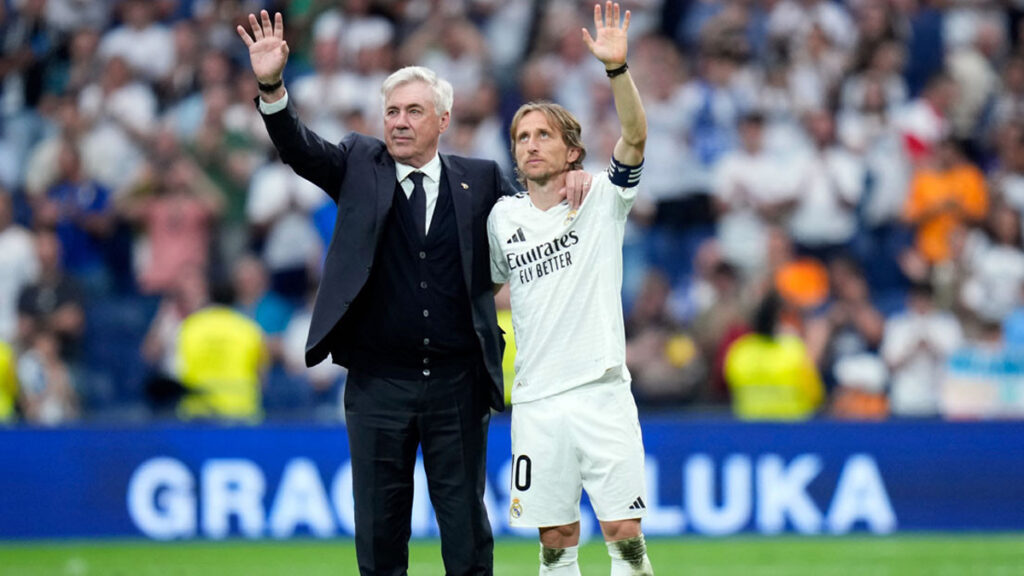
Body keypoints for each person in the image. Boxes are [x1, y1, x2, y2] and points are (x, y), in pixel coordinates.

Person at [237, 10, 590, 575]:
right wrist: (272, 86)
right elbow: (299, 148)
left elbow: (534, 221)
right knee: (380, 537)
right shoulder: (359, 163)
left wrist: (572, 177)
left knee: (467, 535)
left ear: (443, 119)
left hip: (457, 383)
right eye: (392, 111)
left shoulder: (481, 179)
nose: (399, 122)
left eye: (414, 111)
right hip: (378, 384)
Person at [487, 3, 654, 574]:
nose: (531, 144)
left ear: (572, 151)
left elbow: (635, 136)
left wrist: (616, 69)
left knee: (624, 532)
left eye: (544, 135)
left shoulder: (602, 198)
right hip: (536, 399)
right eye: (522, 137)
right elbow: (485, 285)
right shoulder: (501, 219)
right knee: (555, 538)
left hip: (602, 389)